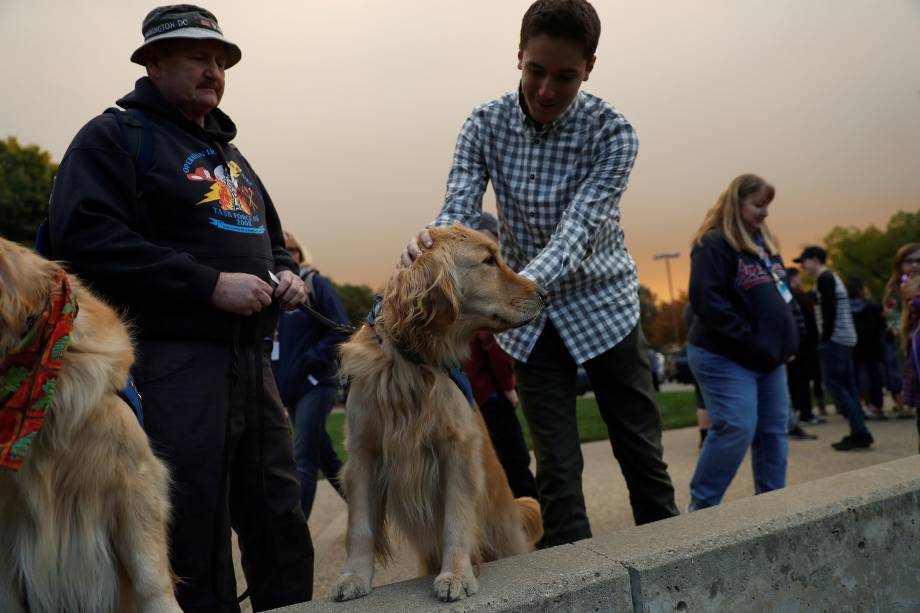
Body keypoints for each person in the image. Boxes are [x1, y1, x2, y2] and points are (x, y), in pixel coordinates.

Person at [47, 6, 313, 611]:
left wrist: (289, 275)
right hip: (170, 365)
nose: (213, 70)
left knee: (279, 517)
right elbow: (83, 238)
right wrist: (206, 283)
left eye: (220, 60)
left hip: (253, 366)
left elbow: (271, 237)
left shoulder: (233, 158)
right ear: (154, 61)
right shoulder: (115, 137)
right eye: (198, 56)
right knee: (189, 526)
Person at [403, 0, 678, 545]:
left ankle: (676, 573)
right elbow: (459, 206)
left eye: (566, 76)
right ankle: (576, 590)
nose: (547, 90)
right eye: (536, 71)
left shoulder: (613, 133)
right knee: (555, 471)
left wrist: (515, 291)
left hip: (603, 306)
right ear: (519, 56)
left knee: (641, 454)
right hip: (529, 323)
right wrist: (430, 247)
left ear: (590, 67)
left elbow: (577, 232)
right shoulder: (484, 123)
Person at [685, 174, 798, 510]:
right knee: (735, 426)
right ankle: (701, 510)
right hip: (724, 354)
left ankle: (772, 506)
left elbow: (784, 297)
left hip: (767, 358)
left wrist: (792, 337)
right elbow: (708, 302)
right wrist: (752, 342)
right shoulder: (714, 243)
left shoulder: (764, 246)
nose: (765, 214)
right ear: (736, 203)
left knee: (774, 430)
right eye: (758, 205)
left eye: (767, 207)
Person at [462, 213, 539, 500]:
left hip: (468, 393)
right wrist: (507, 387)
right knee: (514, 463)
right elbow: (494, 345)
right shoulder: (490, 291)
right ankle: (531, 526)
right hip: (490, 395)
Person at [272, 231, 348, 520]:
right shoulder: (276, 293)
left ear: (300, 254)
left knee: (302, 456)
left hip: (317, 385)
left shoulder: (315, 284)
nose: (288, 254)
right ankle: (369, 510)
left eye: (292, 249)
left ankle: (297, 531)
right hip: (292, 388)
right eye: (281, 249)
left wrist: (308, 361)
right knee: (324, 456)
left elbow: (340, 329)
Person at [795, 246, 874, 451]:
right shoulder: (832, 278)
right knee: (848, 387)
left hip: (835, 341)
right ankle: (860, 431)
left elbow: (829, 311)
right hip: (844, 339)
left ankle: (859, 432)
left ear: (815, 259)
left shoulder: (825, 278)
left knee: (837, 386)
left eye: (803, 261)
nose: (802, 266)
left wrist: (824, 339)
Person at [883, 243, 920, 419]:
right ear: (900, 265)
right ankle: (903, 406)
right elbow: (893, 321)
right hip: (908, 347)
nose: (914, 265)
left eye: (919, 261)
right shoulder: (894, 290)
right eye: (909, 261)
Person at [785, 267, 826, 426]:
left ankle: (798, 411)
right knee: (803, 380)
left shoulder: (787, 295)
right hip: (805, 344)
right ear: (794, 279)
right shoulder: (798, 296)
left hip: (794, 344)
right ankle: (806, 413)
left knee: (795, 380)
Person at [846, 276, 886, 420]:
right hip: (873, 346)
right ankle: (878, 406)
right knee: (875, 375)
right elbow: (882, 325)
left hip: (854, 346)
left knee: (856, 376)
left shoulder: (845, 309)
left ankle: (863, 406)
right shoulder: (872, 305)